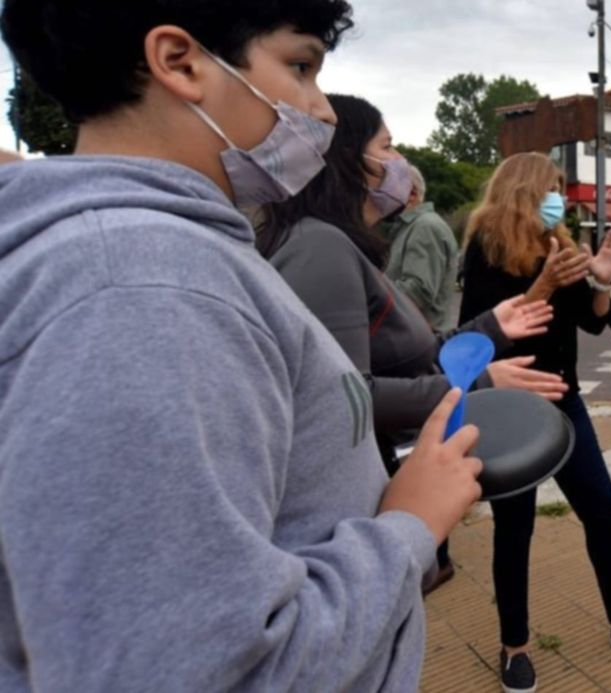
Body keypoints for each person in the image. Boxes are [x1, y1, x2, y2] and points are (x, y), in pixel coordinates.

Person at [0, 1, 485, 689]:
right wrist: (408, 524)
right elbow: (188, 669)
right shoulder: (143, 287)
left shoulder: (171, 256)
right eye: (300, 66)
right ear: (179, 61)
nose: (320, 111)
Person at [257, 94, 567, 592]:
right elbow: (346, 397)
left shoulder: (339, 243)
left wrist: (489, 327)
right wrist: (477, 383)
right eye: (389, 147)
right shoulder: (320, 245)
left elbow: (407, 354)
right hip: (336, 517)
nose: (400, 162)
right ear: (351, 159)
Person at [459, 152, 611, 693]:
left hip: (565, 400)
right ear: (525, 191)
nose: (560, 197)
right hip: (513, 406)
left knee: (602, 508)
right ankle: (514, 644)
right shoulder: (486, 247)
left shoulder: (558, 243)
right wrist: (539, 287)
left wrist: (602, 282)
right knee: (515, 529)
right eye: (553, 188)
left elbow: (590, 319)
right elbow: (477, 335)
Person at [377, 162, 460, 332]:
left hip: (417, 338)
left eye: (385, 189)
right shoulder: (411, 227)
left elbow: (418, 292)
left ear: (412, 194)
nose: (379, 196)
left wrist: (370, 289)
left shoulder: (425, 227)